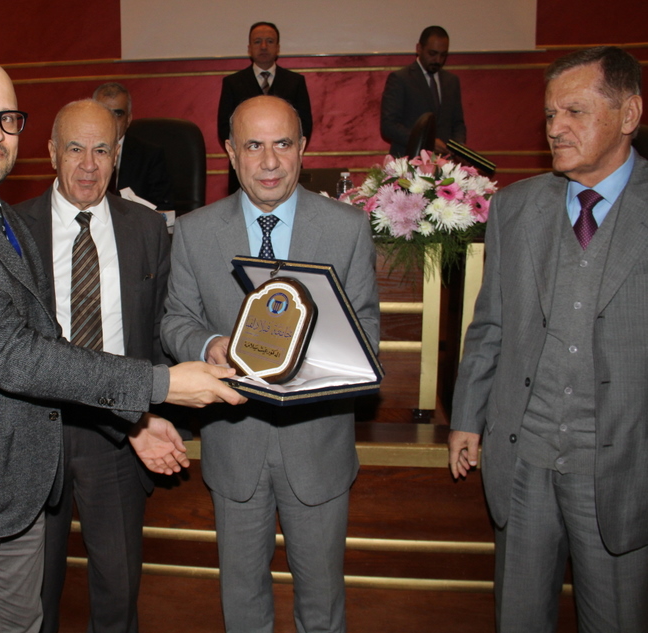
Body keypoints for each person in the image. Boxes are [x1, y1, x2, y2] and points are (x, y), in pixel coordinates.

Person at [0, 57, 244, 633]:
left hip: (16, 492)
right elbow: (11, 354)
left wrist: (132, 419)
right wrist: (160, 385)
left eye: (6, 118)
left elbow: (49, 344)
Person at [162, 95, 379, 633]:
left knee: (322, 606)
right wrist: (209, 344)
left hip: (318, 447)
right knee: (242, 604)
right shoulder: (194, 230)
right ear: (230, 152)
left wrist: (320, 357)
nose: (269, 161)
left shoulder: (348, 227)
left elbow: (368, 333)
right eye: (253, 145)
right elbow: (175, 319)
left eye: (282, 143)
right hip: (235, 446)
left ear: (303, 148)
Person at [449, 46, 647, 632]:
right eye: (550, 114)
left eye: (575, 112)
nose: (556, 128)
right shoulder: (514, 207)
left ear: (630, 114)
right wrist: (467, 417)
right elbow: (490, 324)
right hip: (522, 463)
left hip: (622, 471)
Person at [13, 98, 172, 633]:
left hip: (120, 432)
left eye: (101, 150)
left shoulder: (147, 228)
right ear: (51, 152)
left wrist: (151, 411)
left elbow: (159, 328)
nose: (88, 165)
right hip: (36, 430)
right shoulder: (12, 230)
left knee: (119, 589)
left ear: (118, 154)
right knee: (34, 594)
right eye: (75, 149)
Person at [217, 22, 312, 193]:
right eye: (257, 41)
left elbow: (304, 125)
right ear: (249, 48)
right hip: (247, 166)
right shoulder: (233, 82)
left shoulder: (295, 81)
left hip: (284, 166)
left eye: (269, 41)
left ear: (278, 47)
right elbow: (225, 127)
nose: (263, 46)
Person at [380, 25, 466, 158]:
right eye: (432, 54)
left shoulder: (451, 81)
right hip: (408, 161)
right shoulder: (400, 79)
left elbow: (457, 123)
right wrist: (428, 142)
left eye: (443, 55)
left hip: (444, 162)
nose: (438, 60)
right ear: (419, 48)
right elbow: (389, 126)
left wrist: (458, 146)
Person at [93, 82, 174, 210]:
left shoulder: (150, 157)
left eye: (117, 114)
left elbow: (163, 209)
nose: (110, 121)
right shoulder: (79, 154)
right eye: (104, 113)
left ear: (128, 119)